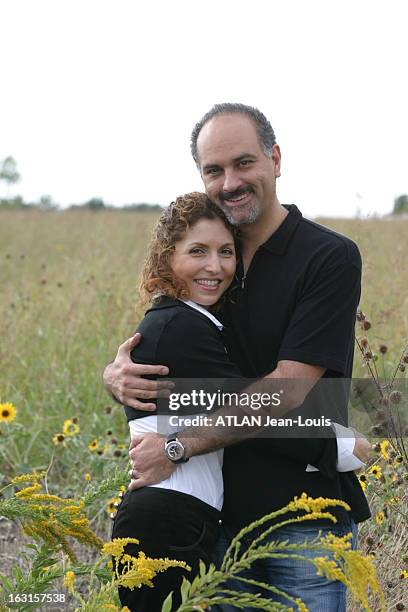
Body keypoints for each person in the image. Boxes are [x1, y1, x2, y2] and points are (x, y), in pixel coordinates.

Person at [104, 103, 371, 611]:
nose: (230, 182)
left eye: (244, 163)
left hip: (302, 517)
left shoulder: (327, 257)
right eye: (214, 170)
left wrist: (177, 446)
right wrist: (117, 376)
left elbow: (288, 388)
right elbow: (171, 351)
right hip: (217, 520)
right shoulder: (208, 262)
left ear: (275, 159)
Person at [112, 191, 243, 611]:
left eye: (226, 251)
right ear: (168, 258)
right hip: (166, 519)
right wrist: (339, 445)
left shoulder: (188, 320)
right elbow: (257, 412)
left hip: (179, 516)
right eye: (198, 251)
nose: (215, 266)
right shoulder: (180, 327)